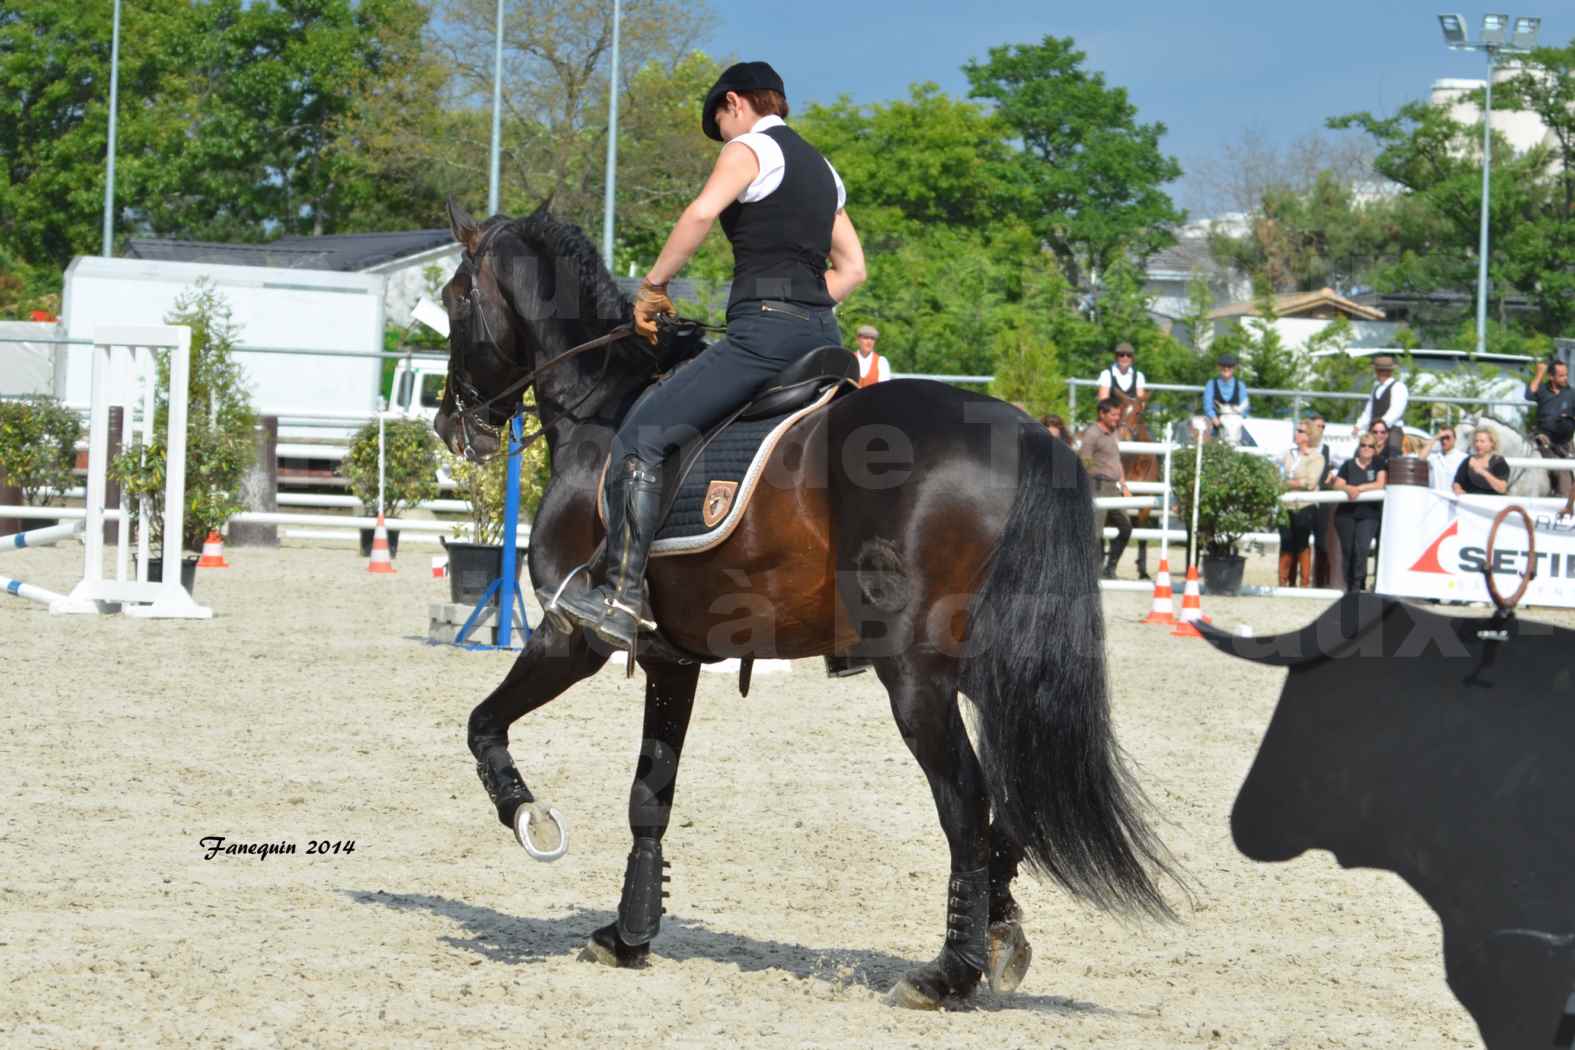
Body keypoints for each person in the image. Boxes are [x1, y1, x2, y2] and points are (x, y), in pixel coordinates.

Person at [549, 61, 867, 651]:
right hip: (823, 337)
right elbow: (854, 269)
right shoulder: (825, 171)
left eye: (719, 121)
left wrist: (654, 286)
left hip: (763, 337)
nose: (722, 136)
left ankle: (620, 595)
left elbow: (699, 214)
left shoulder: (750, 146)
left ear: (736, 102)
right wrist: (801, 303)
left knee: (642, 436)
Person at [1079, 397, 1132, 579]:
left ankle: (1110, 567)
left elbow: (1116, 460)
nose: (1117, 418)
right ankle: (1091, 571)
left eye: (1118, 414)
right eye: (1113, 414)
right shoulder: (1092, 434)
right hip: (1098, 486)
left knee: (1126, 527)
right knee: (1095, 532)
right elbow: (1084, 461)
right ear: (1102, 414)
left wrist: (1123, 483)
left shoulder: (1113, 432)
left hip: (1113, 488)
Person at [1332, 434, 1387, 592]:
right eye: (1363, 445)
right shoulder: (1348, 464)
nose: (1366, 449)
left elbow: (1380, 484)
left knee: (1361, 550)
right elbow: (1338, 484)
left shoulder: (1379, 464)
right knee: (1348, 551)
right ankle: (1348, 587)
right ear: (1359, 446)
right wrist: (1347, 488)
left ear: (1375, 448)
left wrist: (1358, 488)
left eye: (1370, 446)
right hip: (1346, 514)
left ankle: (1357, 586)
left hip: (1369, 514)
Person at [1277, 421, 1326, 587]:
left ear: (1309, 436)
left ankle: (1304, 582)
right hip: (1285, 504)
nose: (1296, 433)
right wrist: (1296, 482)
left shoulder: (1317, 457)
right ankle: (1284, 581)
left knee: (1302, 543)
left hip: (1305, 505)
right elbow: (1279, 475)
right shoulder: (1289, 454)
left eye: (1301, 431)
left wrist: (1287, 484)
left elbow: (1311, 483)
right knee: (1286, 542)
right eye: (1297, 430)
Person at [1527, 359, 1574, 499]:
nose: (1565, 378)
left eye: (1566, 375)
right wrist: (1540, 373)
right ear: (1551, 377)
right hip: (1540, 440)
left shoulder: (1572, 393)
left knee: (1562, 471)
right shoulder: (1542, 390)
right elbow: (1529, 394)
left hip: (1563, 445)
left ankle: (1564, 501)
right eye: (1561, 376)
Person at [1354, 354, 1407, 460]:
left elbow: (1396, 410)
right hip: (1374, 429)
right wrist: (1359, 425)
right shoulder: (1376, 388)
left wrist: (1382, 424)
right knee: (1359, 454)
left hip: (1392, 429)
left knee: (1393, 454)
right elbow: (1368, 411)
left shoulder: (1399, 387)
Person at [1202, 354, 1249, 442]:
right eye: (1223, 366)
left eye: (1229, 366)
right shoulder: (1211, 384)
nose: (1226, 368)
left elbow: (1245, 407)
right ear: (1218, 367)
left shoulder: (1240, 385)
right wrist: (1214, 418)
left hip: (1235, 421)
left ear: (1234, 368)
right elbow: (1207, 406)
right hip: (1216, 422)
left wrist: (1240, 417)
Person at [1453, 428, 1511, 496]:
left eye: (1482, 441)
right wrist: (1457, 489)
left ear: (1492, 443)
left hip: (1491, 504)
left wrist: (1483, 472)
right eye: (1476, 441)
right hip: (1471, 503)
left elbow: (1502, 488)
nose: (1478, 444)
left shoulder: (1499, 462)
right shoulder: (1468, 460)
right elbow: (1457, 482)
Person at [1418, 426, 1466, 496]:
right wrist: (1435, 437)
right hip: (1435, 500)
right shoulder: (1434, 457)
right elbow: (1420, 459)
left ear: (1455, 439)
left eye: (1448, 438)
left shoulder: (1463, 458)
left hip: (1453, 500)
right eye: (1442, 438)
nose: (1444, 441)